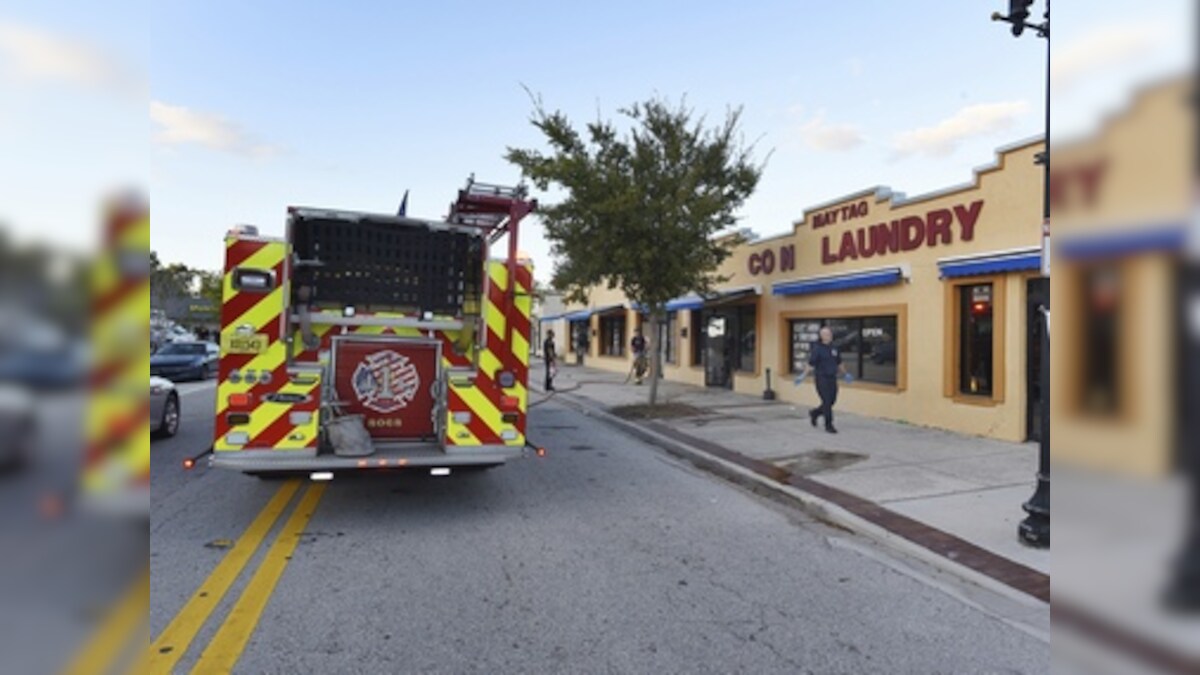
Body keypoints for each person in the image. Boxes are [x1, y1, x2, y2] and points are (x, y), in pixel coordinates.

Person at [796, 326, 851, 434]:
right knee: (826, 402)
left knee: (832, 401)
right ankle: (829, 425)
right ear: (821, 336)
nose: (828, 336)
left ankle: (815, 413)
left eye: (829, 334)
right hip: (822, 378)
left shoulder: (834, 348)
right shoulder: (818, 349)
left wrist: (845, 374)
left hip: (832, 378)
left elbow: (839, 362)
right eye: (826, 334)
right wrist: (803, 375)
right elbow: (811, 364)